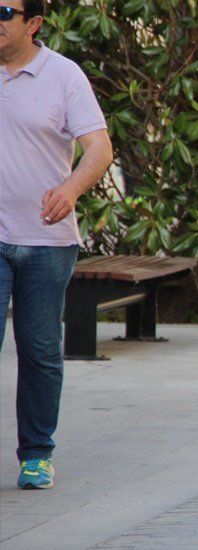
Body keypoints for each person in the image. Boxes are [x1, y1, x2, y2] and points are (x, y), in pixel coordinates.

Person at [0, 0, 114, 490]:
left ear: (33, 23)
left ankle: (37, 454)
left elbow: (100, 149)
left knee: (40, 348)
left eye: (4, 11)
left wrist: (70, 189)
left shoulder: (63, 75)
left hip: (46, 242)